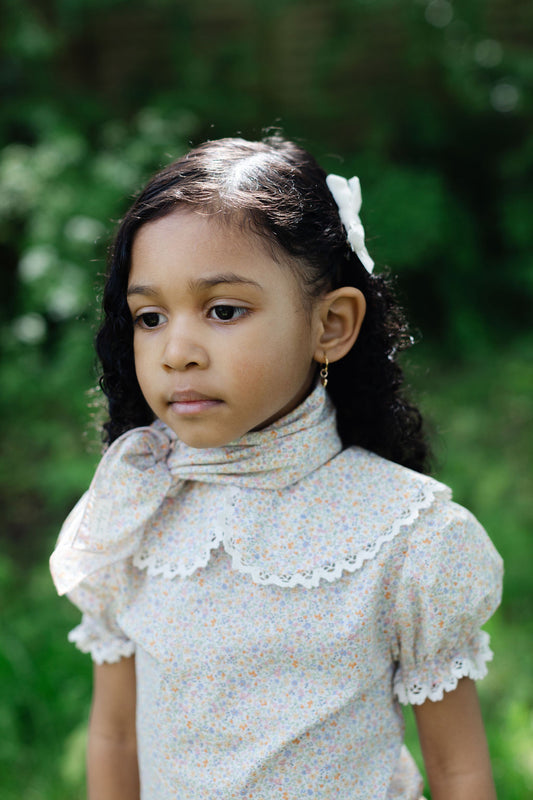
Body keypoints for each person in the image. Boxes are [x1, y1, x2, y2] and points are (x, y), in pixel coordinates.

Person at [50, 136, 503, 800]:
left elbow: (458, 769)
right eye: (149, 317)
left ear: (331, 325)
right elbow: (116, 735)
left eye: (223, 310)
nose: (177, 350)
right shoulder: (133, 508)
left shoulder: (408, 539)